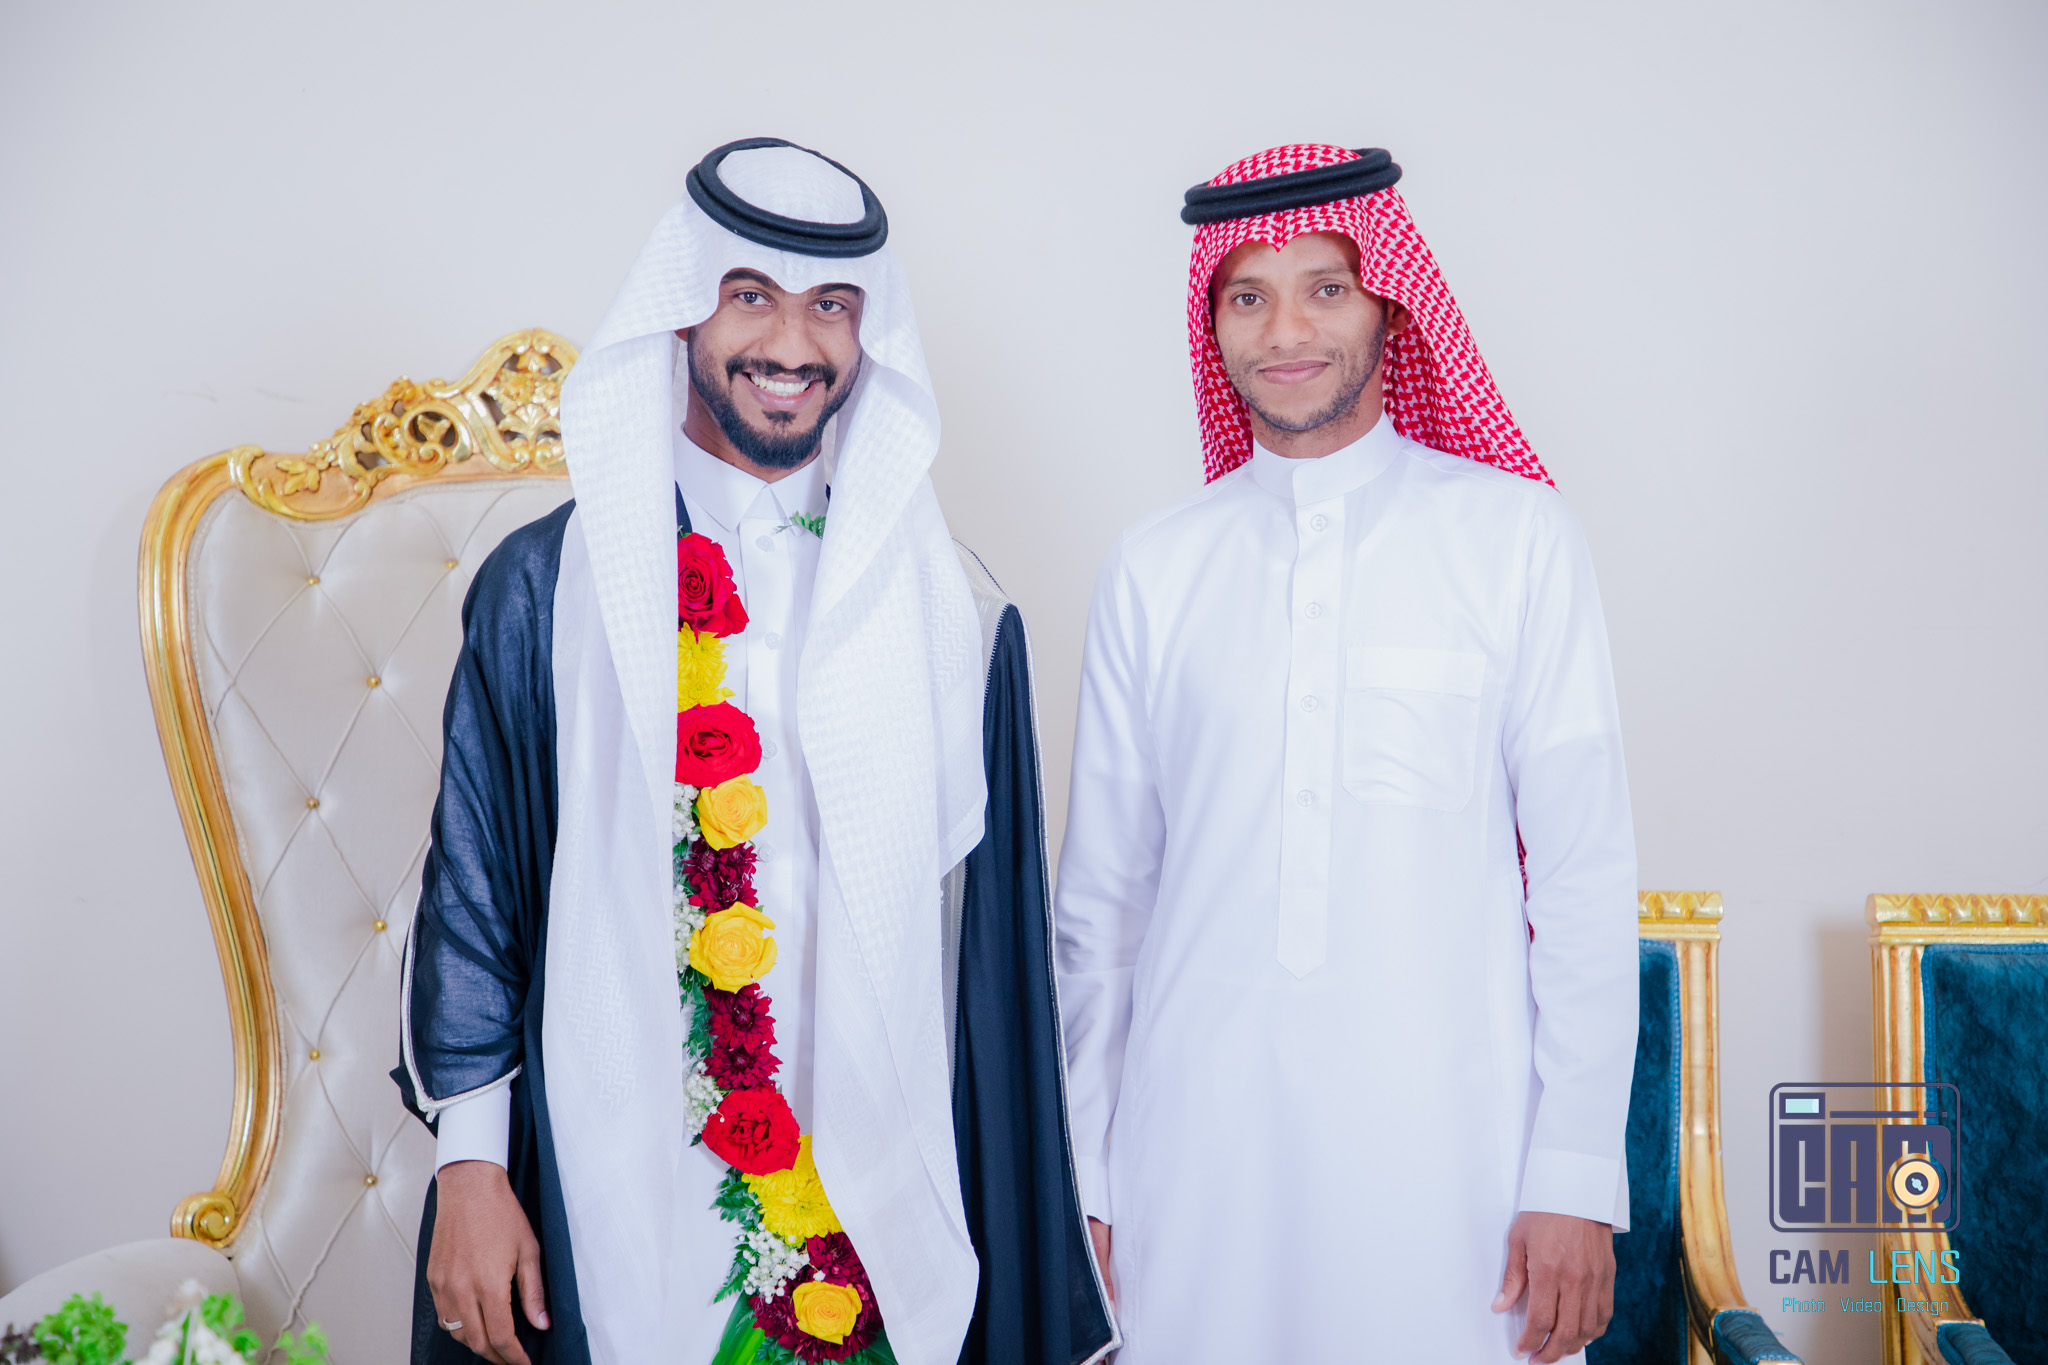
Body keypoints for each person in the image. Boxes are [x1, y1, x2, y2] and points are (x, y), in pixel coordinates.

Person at [395, 137, 1115, 1365]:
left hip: (873, 1200)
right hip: (621, 1172)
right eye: (750, 297)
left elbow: (990, 969)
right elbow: (474, 893)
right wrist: (471, 1165)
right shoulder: (548, 589)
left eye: (830, 305)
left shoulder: (954, 615)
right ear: (683, 312)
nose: (791, 342)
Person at [1054, 144, 1639, 1364]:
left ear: (1388, 305)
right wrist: (1084, 1177)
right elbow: (1101, 910)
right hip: (1192, 1159)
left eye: (1324, 288)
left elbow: (1581, 880)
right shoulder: (1155, 567)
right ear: (1212, 322)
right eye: (1247, 297)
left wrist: (1575, 1171)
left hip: (1453, 1160)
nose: (1285, 332)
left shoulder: (1515, 540)